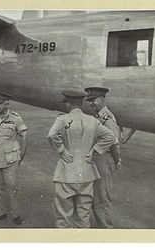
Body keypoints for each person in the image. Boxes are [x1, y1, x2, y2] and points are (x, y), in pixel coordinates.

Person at [47, 90, 121, 228]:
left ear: (68, 104)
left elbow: (52, 135)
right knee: (83, 213)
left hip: (67, 171)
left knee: (63, 213)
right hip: (87, 172)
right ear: (81, 103)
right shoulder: (92, 120)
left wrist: (61, 150)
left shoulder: (62, 119)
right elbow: (111, 137)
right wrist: (95, 150)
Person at [0, 92, 28, 225]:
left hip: (10, 159)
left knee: (12, 187)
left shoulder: (15, 118)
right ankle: (0, 213)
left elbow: (24, 135)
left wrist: (22, 155)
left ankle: (16, 214)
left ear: (7, 104)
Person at [84, 87, 122, 228]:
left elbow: (114, 143)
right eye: (89, 101)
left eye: (93, 100)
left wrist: (117, 160)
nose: (90, 104)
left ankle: (107, 231)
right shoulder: (99, 117)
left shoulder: (108, 119)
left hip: (104, 161)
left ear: (101, 99)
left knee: (102, 197)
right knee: (96, 196)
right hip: (97, 160)